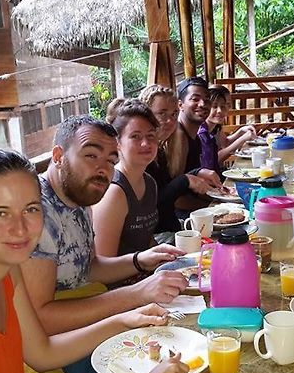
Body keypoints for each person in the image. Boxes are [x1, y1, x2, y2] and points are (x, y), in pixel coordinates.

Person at [0, 148, 189, 373]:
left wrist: (122, 322)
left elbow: (42, 353)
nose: (21, 228)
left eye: (31, 209)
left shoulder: (9, 270)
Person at [20, 115, 188, 337]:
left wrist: (139, 260)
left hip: (81, 317)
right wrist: (137, 293)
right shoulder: (36, 213)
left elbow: (88, 268)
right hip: (46, 347)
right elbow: (38, 319)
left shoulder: (80, 196)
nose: (103, 169)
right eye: (91, 155)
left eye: (111, 160)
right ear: (59, 157)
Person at [93, 99, 161, 256]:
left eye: (151, 136)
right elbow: (104, 262)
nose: (146, 143)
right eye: (135, 136)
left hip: (146, 272)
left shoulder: (149, 182)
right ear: (117, 143)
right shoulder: (114, 192)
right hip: (120, 279)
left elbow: (147, 241)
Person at [139, 85, 212, 232]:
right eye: (162, 114)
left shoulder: (160, 151)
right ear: (145, 115)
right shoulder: (140, 156)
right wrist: (186, 180)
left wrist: (197, 172)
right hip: (160, 238)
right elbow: (154, 205)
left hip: (174, 229)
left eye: (173, 115)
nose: (170, 121)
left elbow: (168, 189)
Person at [170, 77, 222, 215]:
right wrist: (214, 209)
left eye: (207, 99)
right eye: (195, 99)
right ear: (180, 105)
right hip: (181, 218)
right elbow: (176, 199)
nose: (203, 104)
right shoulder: (179, 136)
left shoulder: (195, 135)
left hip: (194, 207)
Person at [204, 85, 256, 165]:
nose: (220, 110)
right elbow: (214, 159)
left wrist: (241, 131)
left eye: (226, 105)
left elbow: (225, 143)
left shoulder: (216, 126)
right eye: (214, 106)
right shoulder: (202, 131)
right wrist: (242, 139)